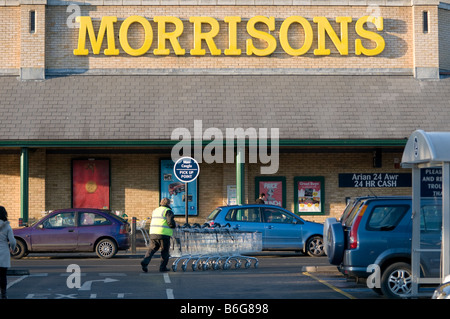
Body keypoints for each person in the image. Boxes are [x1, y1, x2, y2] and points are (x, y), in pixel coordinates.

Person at [141, 198, 176, 272]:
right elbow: (170, 222)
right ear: (168, 204)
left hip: (153, 233)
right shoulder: (167, 211)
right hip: (163, 234)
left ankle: (145, 262)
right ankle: (162, 267)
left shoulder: (155, 210)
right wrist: (174, 226)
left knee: (151, 249)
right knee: (165, 251)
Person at [0, 206, 16, 299]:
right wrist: (12, 248)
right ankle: (3, 294)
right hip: (3, 253)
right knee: (3, 275)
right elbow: (13, 241)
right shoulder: (7, 226)